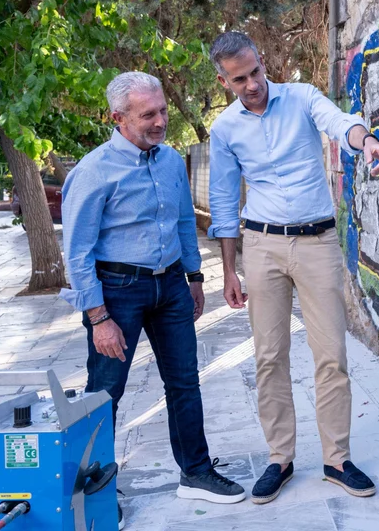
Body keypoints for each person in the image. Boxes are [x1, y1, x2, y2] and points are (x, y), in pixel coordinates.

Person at [207, 32, 379, 504]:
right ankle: (280, 459)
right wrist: (230, 271)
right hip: (262, 246)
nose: (251, 84)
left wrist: (366, 140)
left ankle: (337, 459)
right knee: (269, 358)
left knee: (331, 354)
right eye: (239, 79)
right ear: (224, 81)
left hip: (317, 242)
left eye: (255, 72)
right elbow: (224, 203)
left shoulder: (301, 97)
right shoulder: (225, 130)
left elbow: (340, 123)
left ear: (263, 60)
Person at [61, 72, 247, 528]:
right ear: (117, 117)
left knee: (184, 383)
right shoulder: (93, 171)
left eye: (162, 110)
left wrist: (195, 277)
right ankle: (98, 491)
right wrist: (98, 317)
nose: (161, 120)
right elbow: (78, 253)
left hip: (171, 290)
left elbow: (185, 221)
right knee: (105, 394)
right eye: (148, 114)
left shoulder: (168, 162)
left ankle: (196, 472)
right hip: (117, 294)